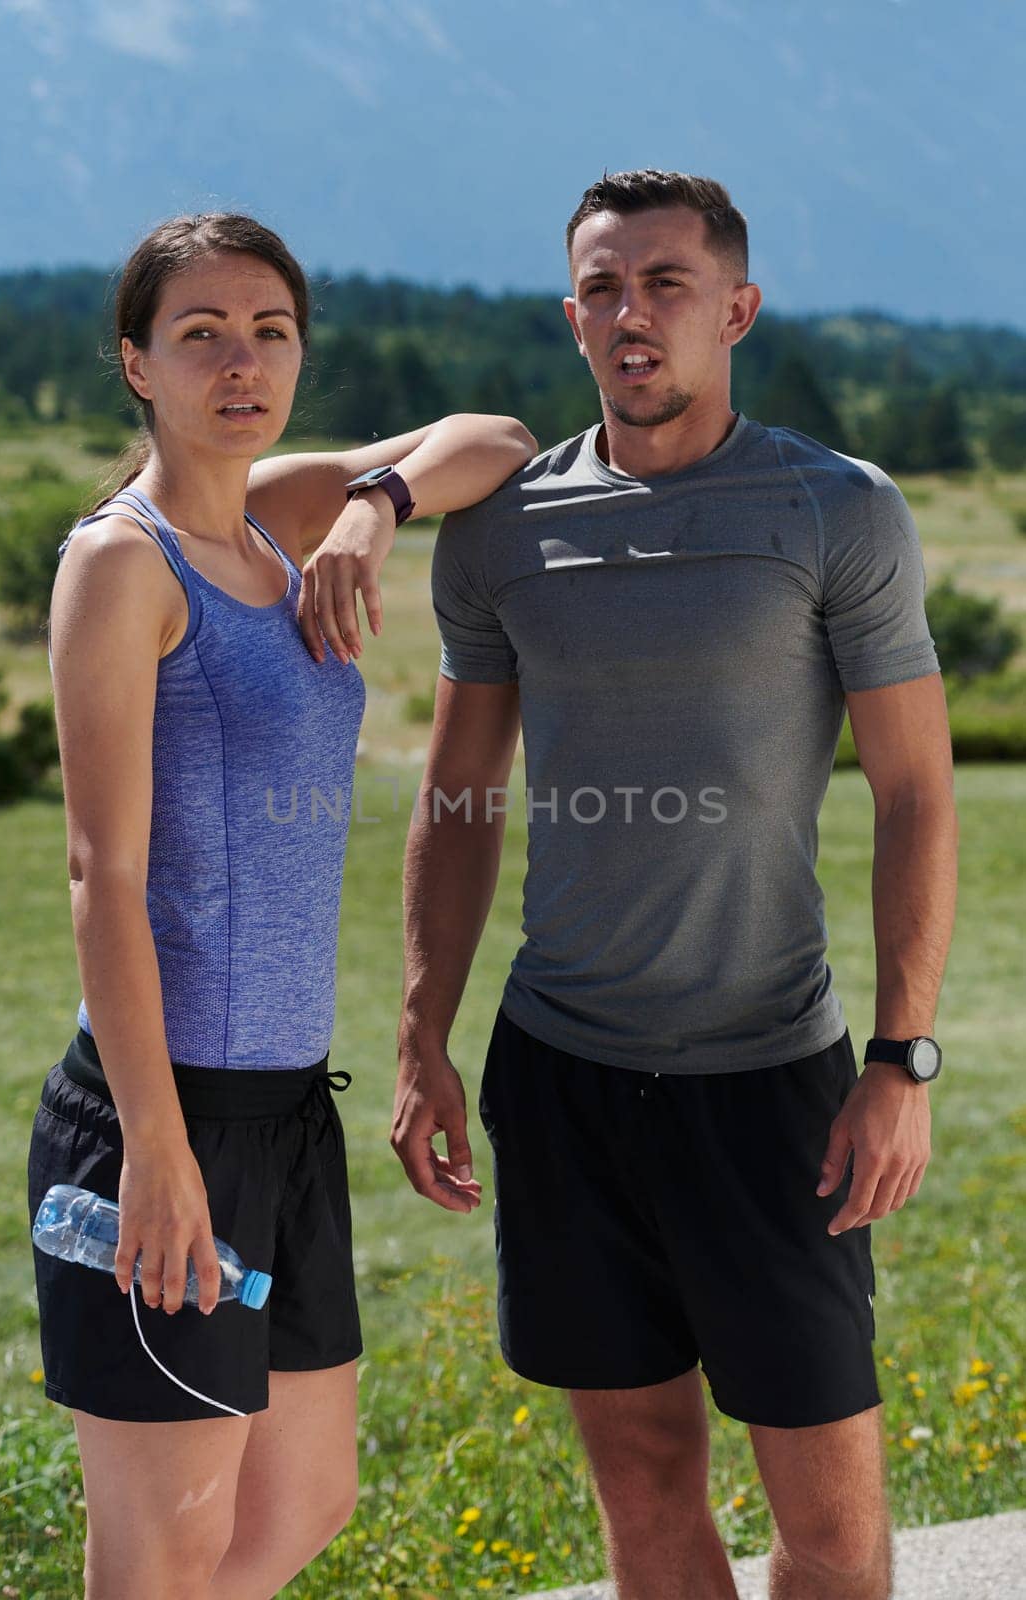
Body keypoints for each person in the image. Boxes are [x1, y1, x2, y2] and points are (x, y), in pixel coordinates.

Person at [391, 170, 957, 1600]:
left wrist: (903, 1058)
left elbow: (915, 793)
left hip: (774, 1089)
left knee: (828, 1532)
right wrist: (422, 1036)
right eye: (602, 287)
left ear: (737, 310)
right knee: (643, 1499)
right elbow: (458, 798)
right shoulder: (505, 528)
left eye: (665, 285)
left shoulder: (837, 509)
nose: (630, 315)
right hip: (564, 1078)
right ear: (570, 311)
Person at [26, 210, 535, 1600]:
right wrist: (154, 1147)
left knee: (309, 1495)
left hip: (288, 1110)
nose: (240, 364)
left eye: (270, 332)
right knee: (165, 1543)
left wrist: (378, 505)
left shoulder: (282, 514)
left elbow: (493, 437)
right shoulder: (123, 566)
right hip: (163, 1110)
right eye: (199, 335)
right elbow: (100, 877)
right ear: (138, 363)